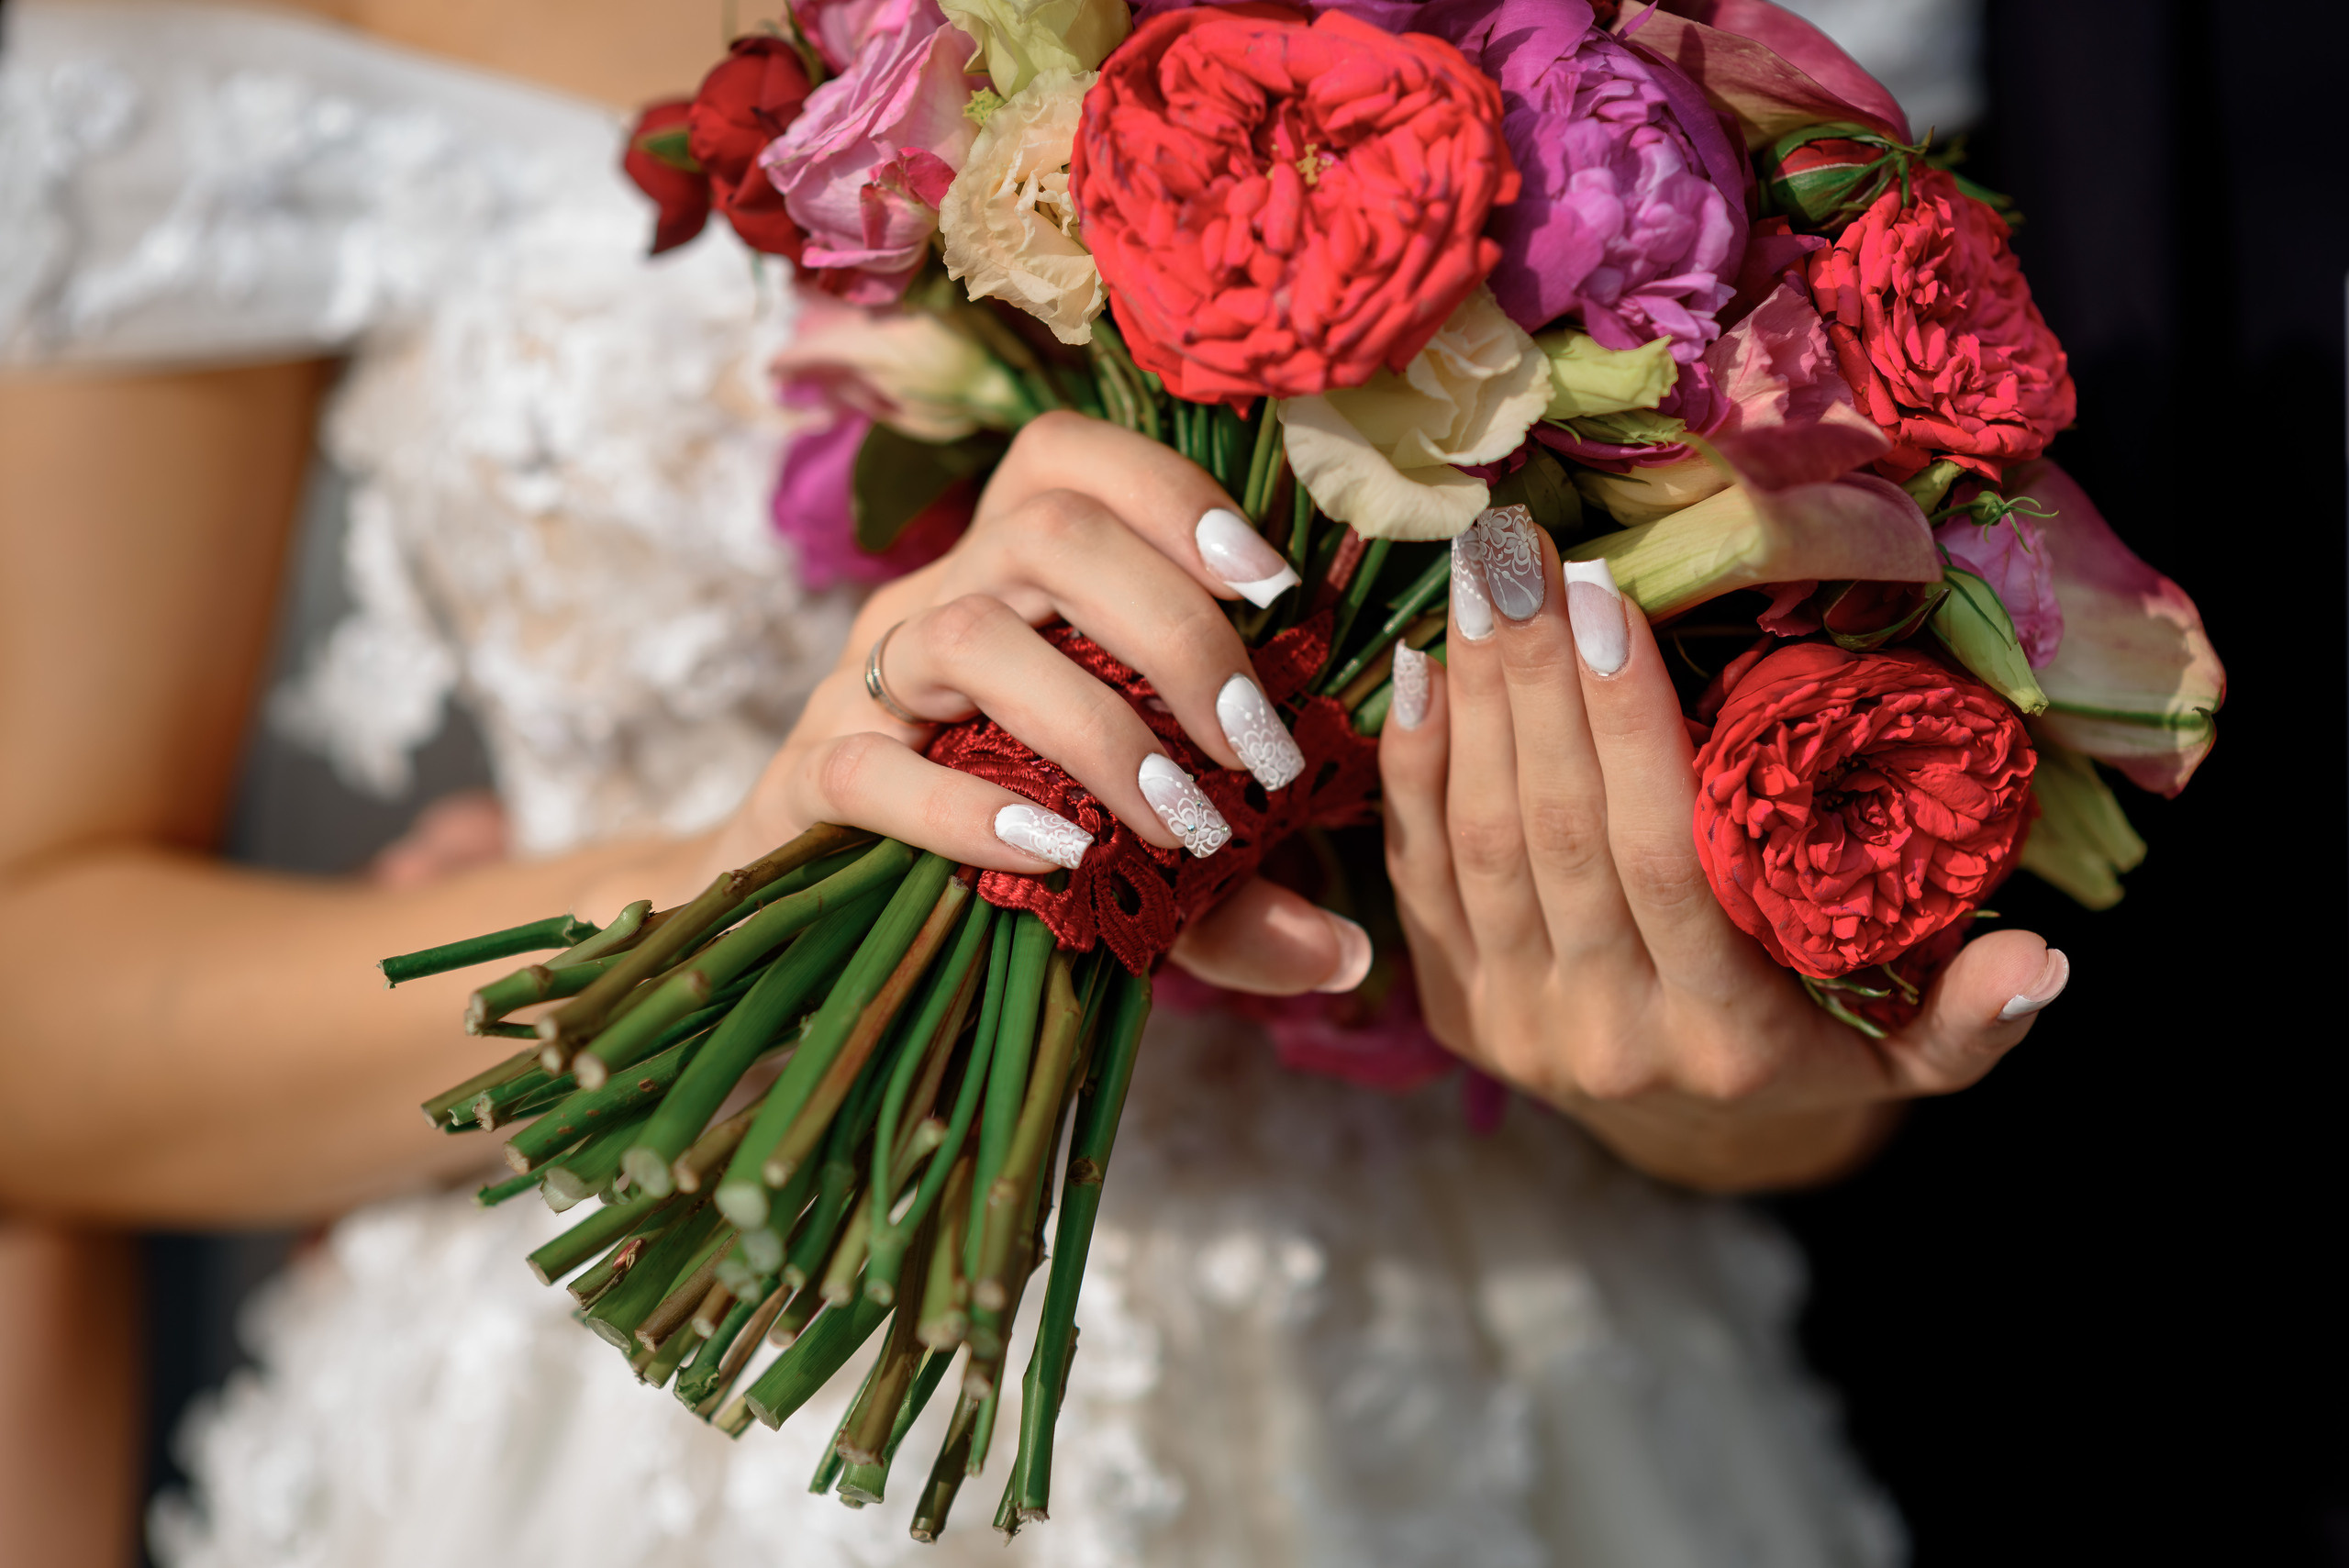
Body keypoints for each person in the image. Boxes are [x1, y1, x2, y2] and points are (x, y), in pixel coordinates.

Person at [0, 1, 2066, 1562]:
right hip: (616, 1432)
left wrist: (1661, 1044)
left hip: (1512, 1392)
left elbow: (1760, 1089)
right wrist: (704, 906)